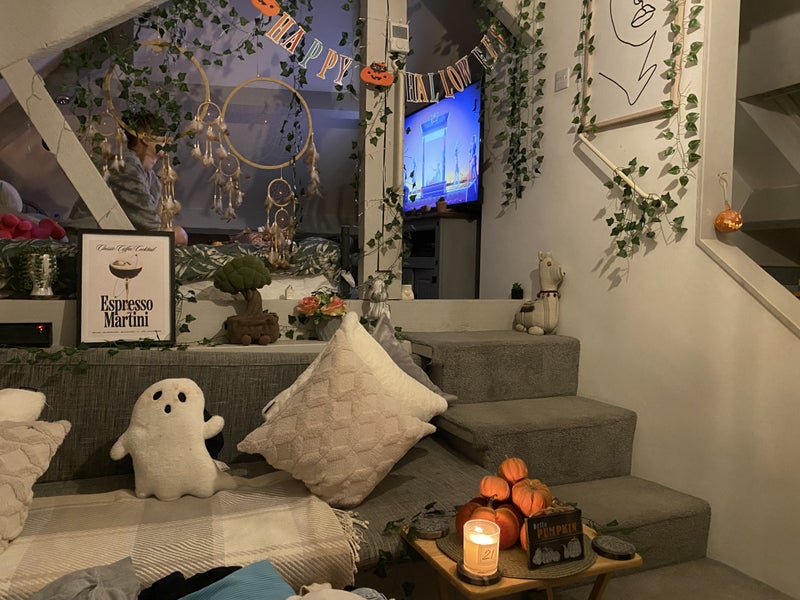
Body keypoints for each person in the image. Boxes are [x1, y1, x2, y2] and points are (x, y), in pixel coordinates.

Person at [66, 110, 187, 244]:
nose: (167, 140)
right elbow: (149, 223)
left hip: (109, 240)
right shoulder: (126, 165)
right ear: (145, 138)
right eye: (161, 135)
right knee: (178, 235)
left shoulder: (151, 178)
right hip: (86, 240)